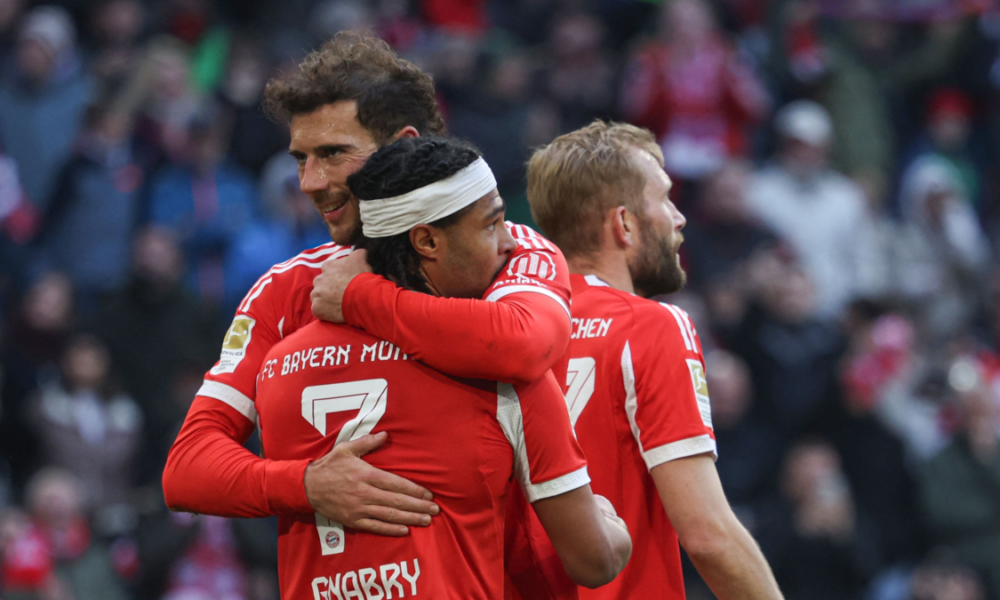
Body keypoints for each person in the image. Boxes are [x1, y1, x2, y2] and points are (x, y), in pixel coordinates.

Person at [163, 30, 577, 584]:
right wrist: (305, 484)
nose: (309, 182)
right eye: (301, 159)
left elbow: (521, 343)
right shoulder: (286, 289)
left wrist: (362, 296)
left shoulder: (507, 250)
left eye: (332, 154)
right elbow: (187, 468)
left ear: (401, 143)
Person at [257, 135, 631, 599]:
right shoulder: (501, 375)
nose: (510, 241)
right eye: (491, 225)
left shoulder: (277, 368)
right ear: (428, 241)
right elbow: (594, 560)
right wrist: (611, 523)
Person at [525, 120, 782, 599]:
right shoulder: (653, 325)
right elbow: (708, 535)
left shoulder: (503, 326)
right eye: (664, 198)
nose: (679, 217)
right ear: (623, 224)